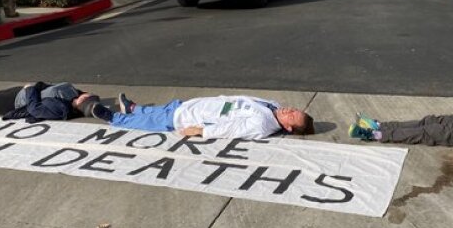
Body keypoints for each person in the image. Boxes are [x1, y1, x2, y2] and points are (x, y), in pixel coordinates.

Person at [90, 93, 315, 141]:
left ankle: (114, 118)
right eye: (295, 110)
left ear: (287, 128)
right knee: (164, 109)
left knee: (155, 121)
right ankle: (134, 109)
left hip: (190, 119)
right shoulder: (273, 106)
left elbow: (232, 130)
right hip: (199, 105)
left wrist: (200, 131)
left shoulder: (263, 124)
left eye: (293, 116)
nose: (291, 110)